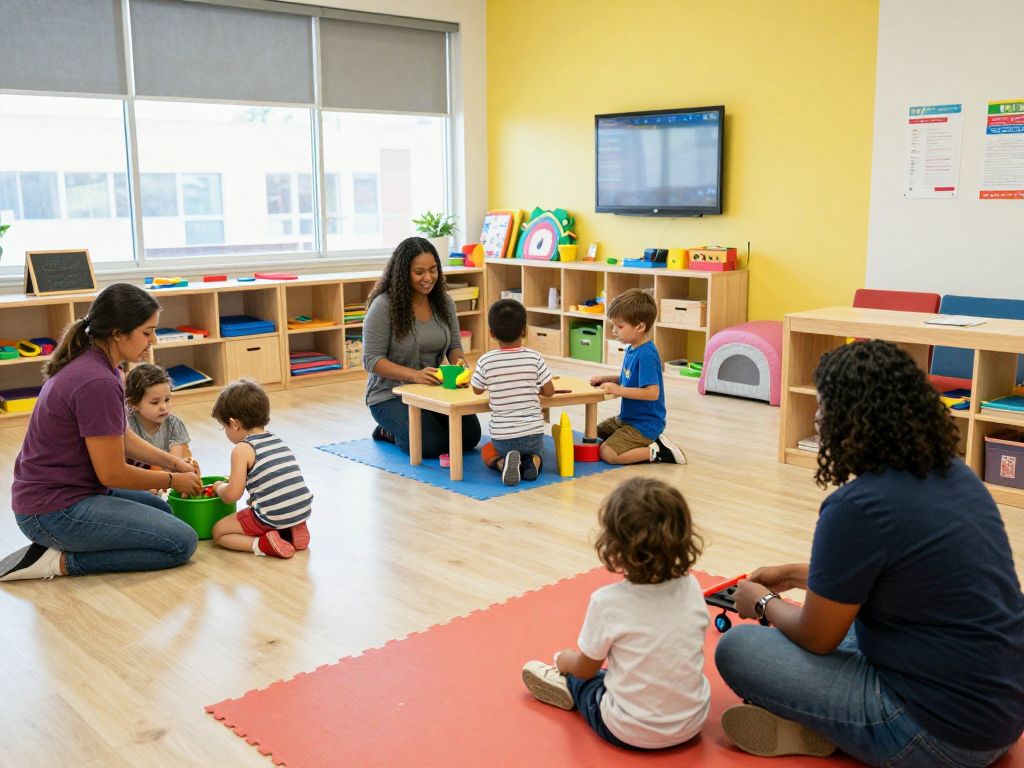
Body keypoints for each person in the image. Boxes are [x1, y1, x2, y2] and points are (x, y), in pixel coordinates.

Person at [715, 340, 1024, 766]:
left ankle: (831, 727)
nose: (818, 416)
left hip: (938, 739)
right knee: (851, 620)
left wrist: (764, 604)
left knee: (738, 647)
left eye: (825, 406)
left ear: (855, 419)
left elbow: (816, 638)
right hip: (1003, 716)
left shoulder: (856, 507)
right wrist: (796, 574)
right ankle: (816, 727)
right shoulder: (956, 474)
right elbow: (908, 577)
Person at [0, 283, 201, 582]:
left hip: (67, 494)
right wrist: (173, 479)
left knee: (163, 510)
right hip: (52, 511)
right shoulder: (97, 381)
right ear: (118, 332)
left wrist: (174, 463)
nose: (153, 340)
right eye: (147, 332)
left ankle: (60, 547)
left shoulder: (103, 367)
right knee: (181, 543)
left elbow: (120, 436)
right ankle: (57, 561)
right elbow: (112, 474)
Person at [521, 477, 711, 750]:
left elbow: (587, 669)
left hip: (628, 730)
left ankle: (563, 682)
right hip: (692, 722)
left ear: (614, 546)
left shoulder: (607, 602)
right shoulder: (691, 586)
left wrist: (564, 661)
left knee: (586, 679)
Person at [362, 236, 481, 458]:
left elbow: (454, 345)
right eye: (419, 272)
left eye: (433, 270)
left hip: (432, 390)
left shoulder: (444, 302)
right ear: (403, 272)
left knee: (470, 437)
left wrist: (460, 365)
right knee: (430, 446)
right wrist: (415, 375)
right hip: (389, 395)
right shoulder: (384, 306)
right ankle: (387, 431)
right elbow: (371, 360)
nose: (428, 278)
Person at [209, 379, 313, 559]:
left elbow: (232, 495)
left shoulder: (242, 449)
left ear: (234, 424)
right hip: (301, 509)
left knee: (219, 532)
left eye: (223, 426)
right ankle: (291, 530)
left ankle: (263, 544)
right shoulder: (276, 440)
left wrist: (219, 487)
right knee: (277, 512)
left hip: (271, 515)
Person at [587, 288, 685, 465]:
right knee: (592, 434)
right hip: (627, 419)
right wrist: (608, 378)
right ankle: (647, 444)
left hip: (644, 424)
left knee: (608, 453)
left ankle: (658, 451)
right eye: (613, 325)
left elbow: (652, 393)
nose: (614, 331)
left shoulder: (646, 354)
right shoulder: (633, 348)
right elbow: (629, 378)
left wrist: (619, 390)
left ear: (639, 326)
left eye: (620, 326)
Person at [471, 299, 555, 486]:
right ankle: (532, 462)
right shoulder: (535, 357)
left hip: (503, 438)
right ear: (524, 331)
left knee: (486, 451)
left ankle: (503, 463)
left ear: (492, 334)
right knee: (539, 453)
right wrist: (536, 387)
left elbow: (476, 389)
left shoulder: (486, 361)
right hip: (533, 434)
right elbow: (549, 391)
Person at [125, 363, 193, 461]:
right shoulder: (128, 427)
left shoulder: (174, 423)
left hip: (169, 473)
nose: (163, 407)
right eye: (155, 402)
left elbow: (175, 462)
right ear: (133, 404)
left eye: (167, 399)